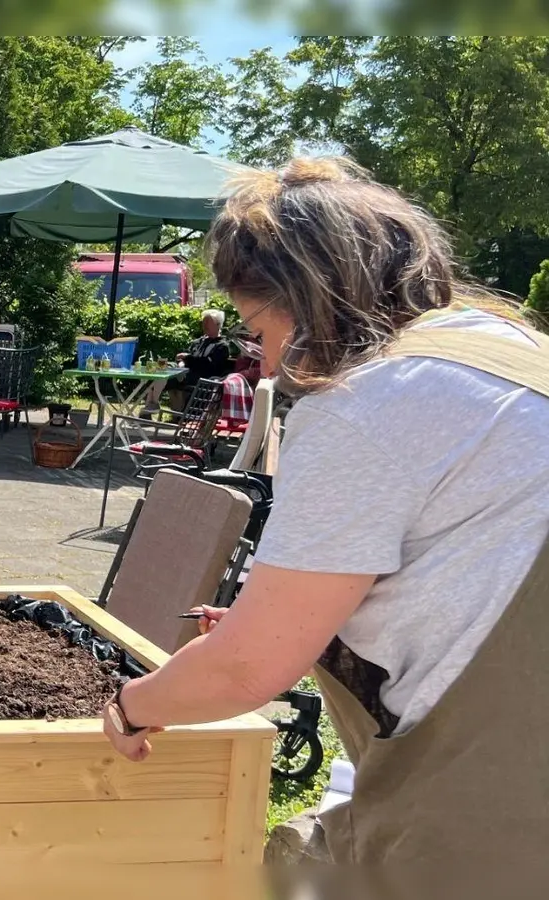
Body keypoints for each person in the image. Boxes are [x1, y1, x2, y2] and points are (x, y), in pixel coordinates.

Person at [98, 157, 549, 864]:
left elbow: (245, 671)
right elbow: (467, 587)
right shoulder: (510, 352)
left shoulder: (364, 402)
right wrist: (288, 625)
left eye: (258, 329)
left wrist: (133, 707)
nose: (267, 365)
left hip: (502, 814)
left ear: (309, 299)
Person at [141, 308, 233, 412]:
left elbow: (209, 364)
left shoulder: (222, 346)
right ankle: (151, 405)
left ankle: (150, 407)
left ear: (217, 325)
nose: (204, 325)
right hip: (183, 371)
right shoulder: (199, 341)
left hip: (199, 376)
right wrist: (182, 361)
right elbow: (186, 356)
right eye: (203, 322)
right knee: (157, 367)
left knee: (164, 373)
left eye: (208, 322)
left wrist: (187, 359)